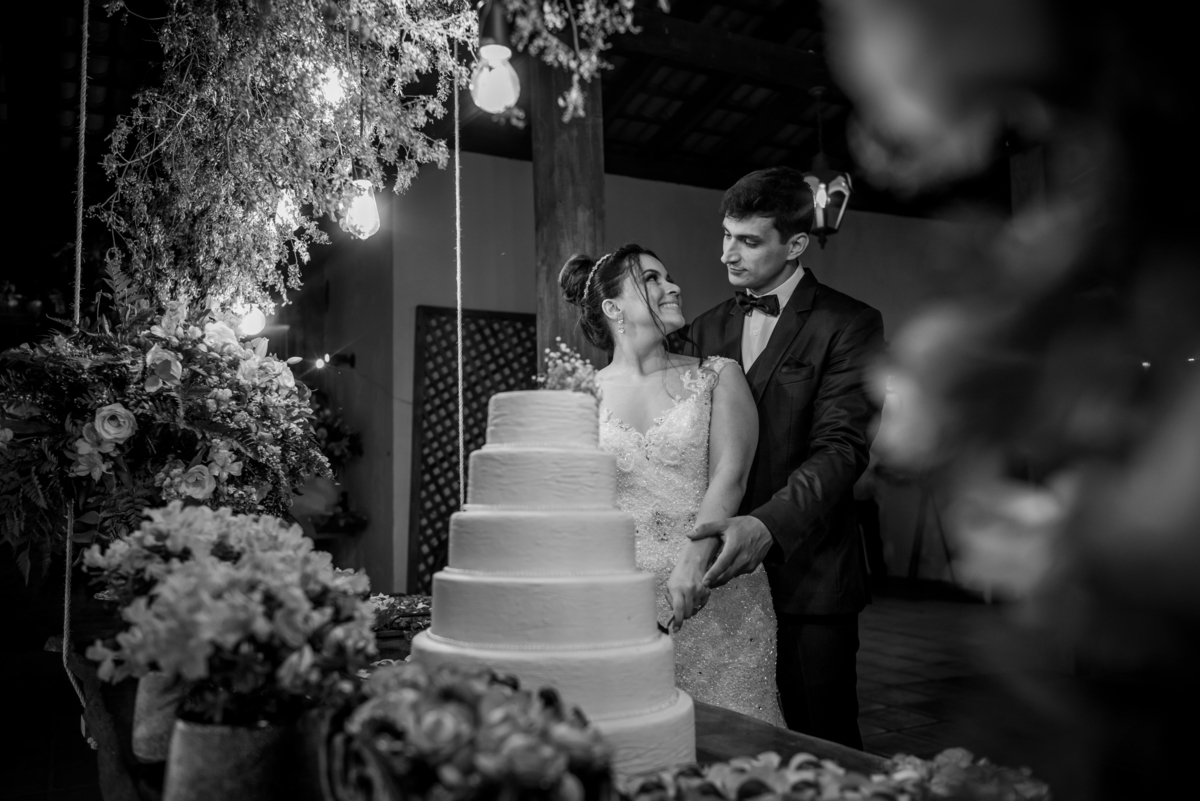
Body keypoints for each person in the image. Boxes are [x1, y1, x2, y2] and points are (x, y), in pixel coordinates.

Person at [684, 167, 885, 749]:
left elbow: (842, 449)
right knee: (728, 740)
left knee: (821, 744)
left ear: (796, 244)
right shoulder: (704, 328)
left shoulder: (850, 323)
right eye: (727, 235)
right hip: (720, 580)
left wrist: (767, 525)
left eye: (749, 241)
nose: (728, 254)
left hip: (810, 576)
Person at [559, 243, 785, 726]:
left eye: (668, 276)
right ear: (613, 308)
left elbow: (730, 477)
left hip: (714, 591)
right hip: (619, 602)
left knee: (732, 740)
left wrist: (694, 559)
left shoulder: (718, 376)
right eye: (652, 279)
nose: (673, 286)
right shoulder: (580, 395)